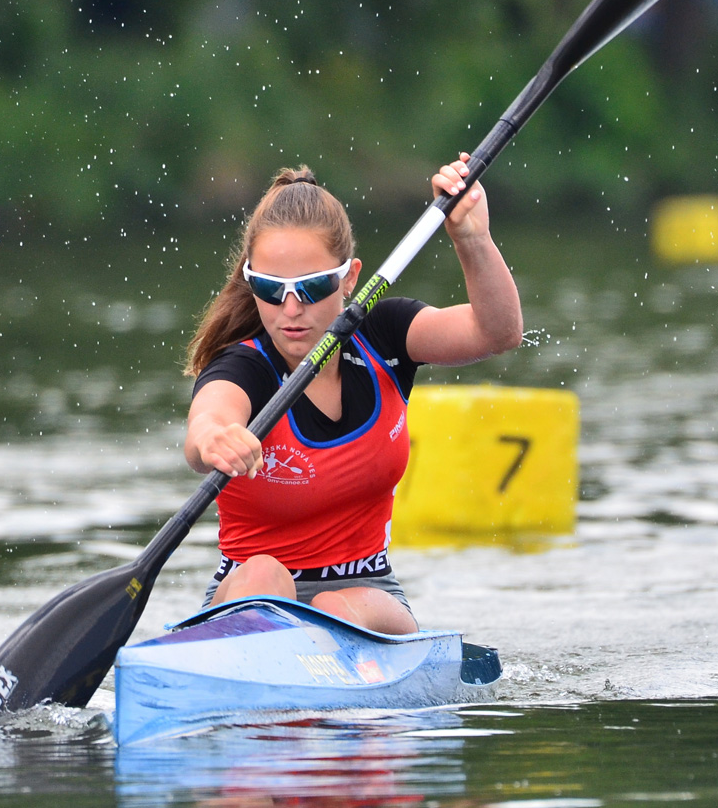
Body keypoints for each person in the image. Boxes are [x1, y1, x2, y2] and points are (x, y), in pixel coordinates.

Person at [183, 158, 523, 634]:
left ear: (349, 278)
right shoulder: (244, 366)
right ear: (249, 281)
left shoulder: (384, 337)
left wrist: (472, 239)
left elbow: (497, 331)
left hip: (367, 597)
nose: (291, 310)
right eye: (270, 289)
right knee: (263, 573)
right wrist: (214, 438)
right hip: (249, 598)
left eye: (313, 286)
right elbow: (208, 421)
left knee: (335, 611)